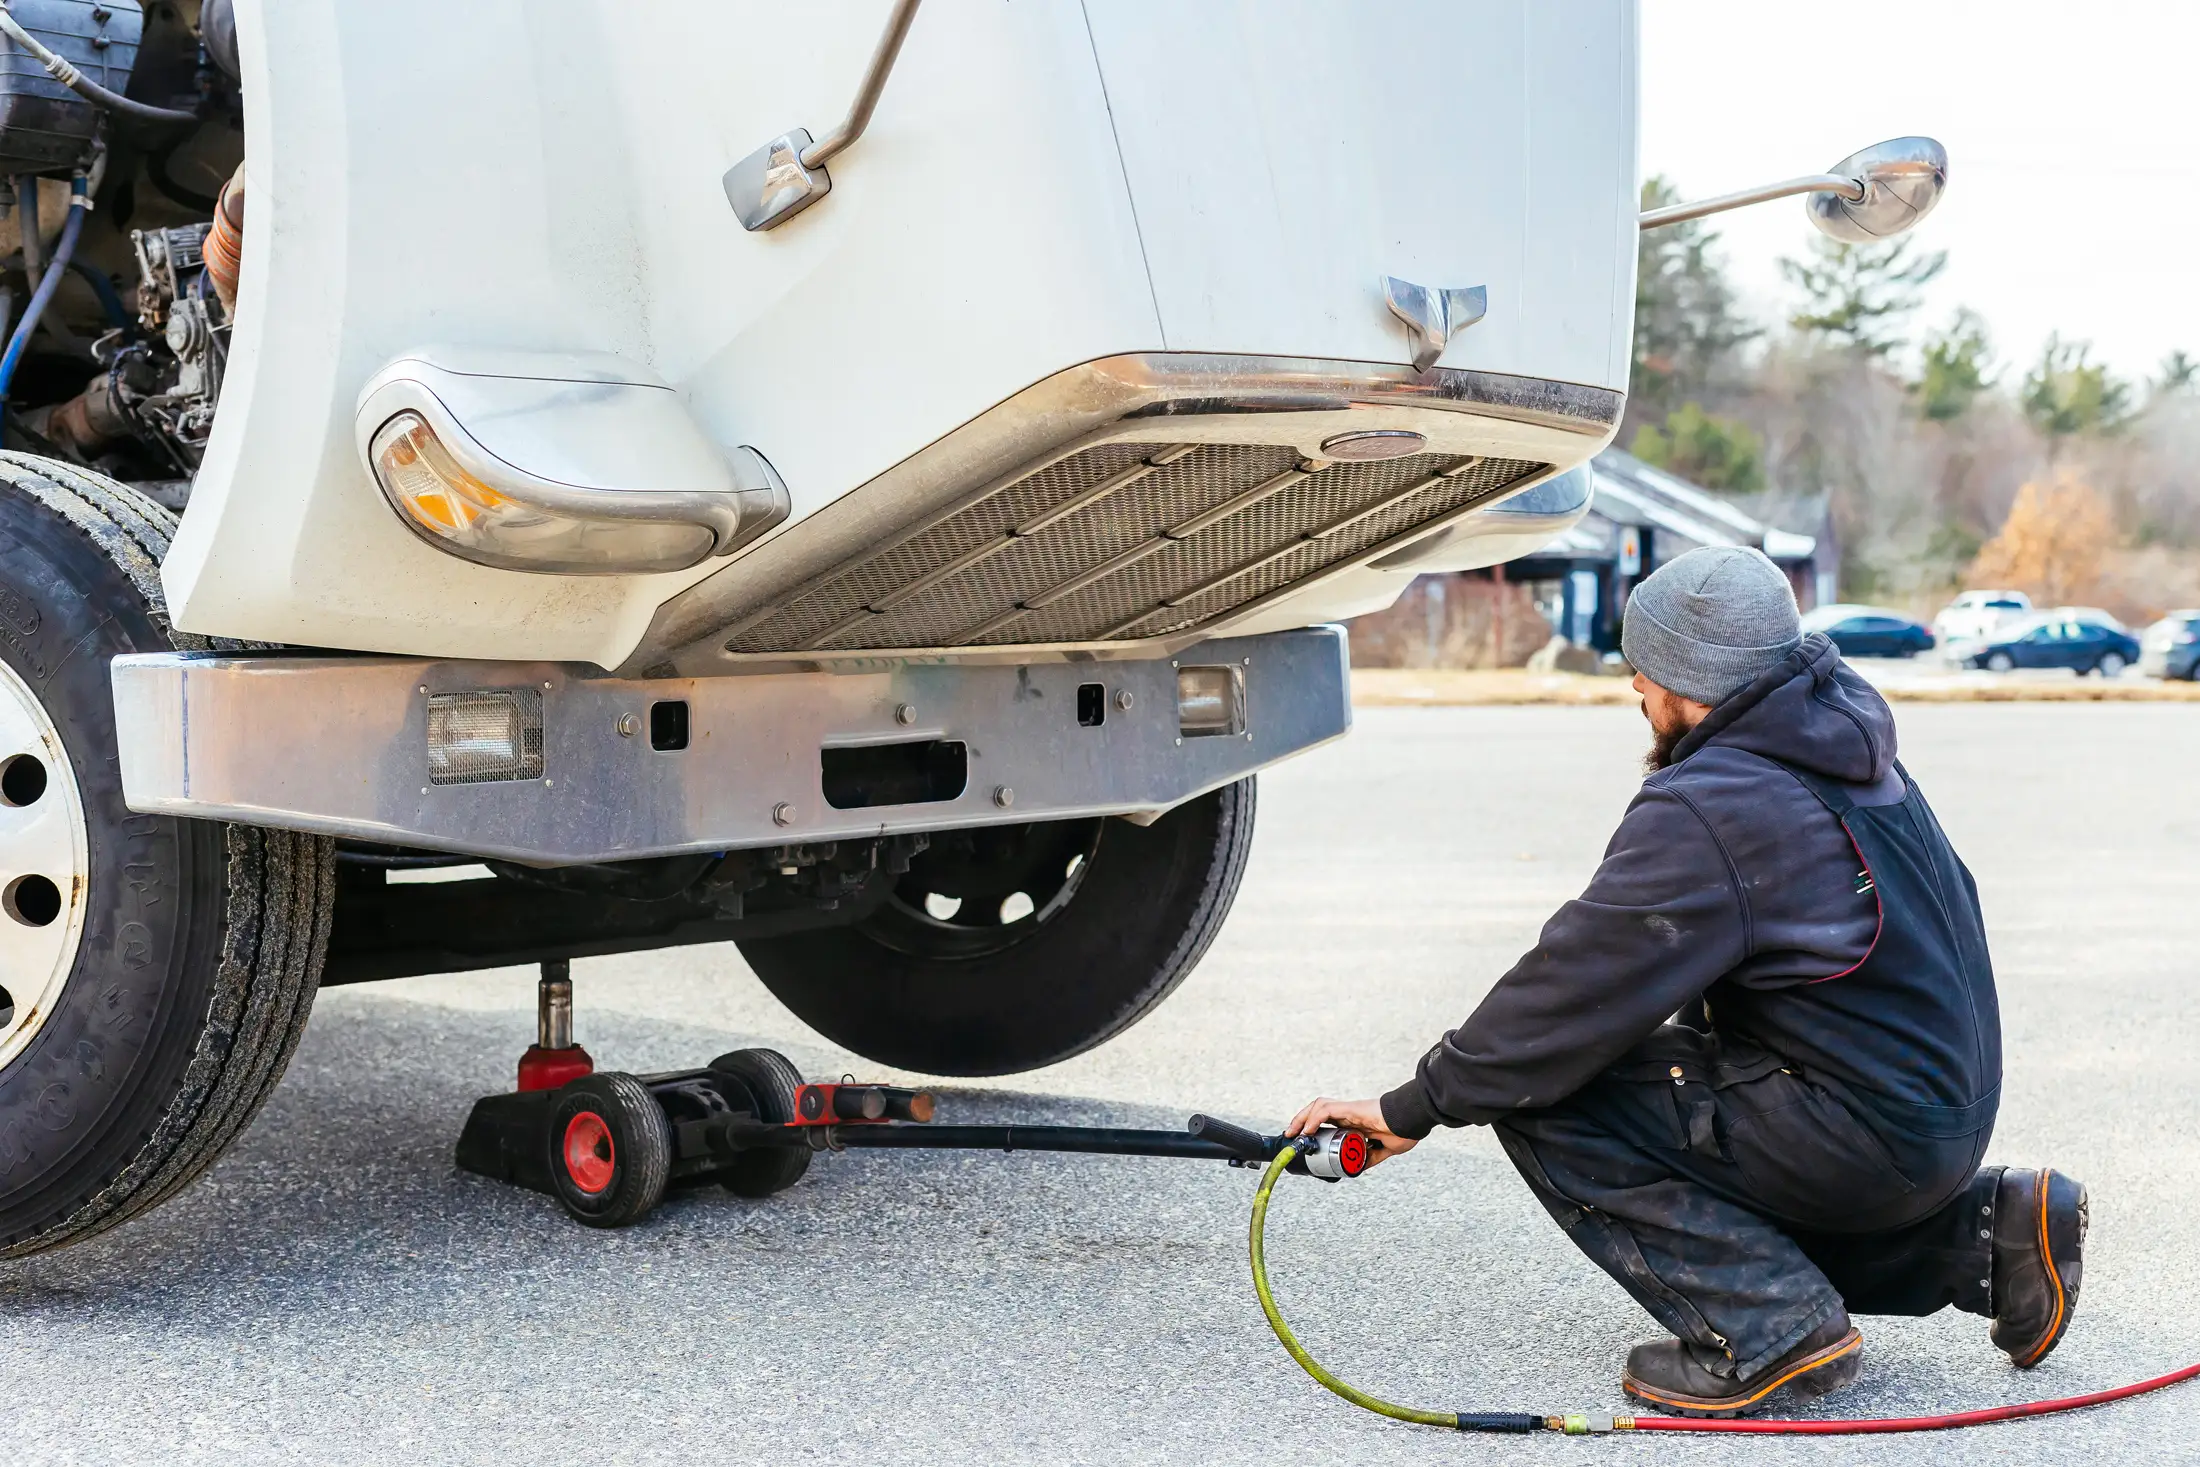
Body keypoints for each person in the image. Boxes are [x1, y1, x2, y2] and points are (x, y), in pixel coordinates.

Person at [1287, 545, 2086, 1419]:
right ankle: (1984, 1236)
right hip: (1934, 1114)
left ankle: (1770, 1326)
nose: (1635, 683)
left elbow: (1566, 996)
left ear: (1692, 678)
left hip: (1863, 1131)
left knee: (1547, 1085)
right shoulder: (1844, 746)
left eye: (1648, 665)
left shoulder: (1718, 804)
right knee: (1679, 1104)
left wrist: (1412, 1107)